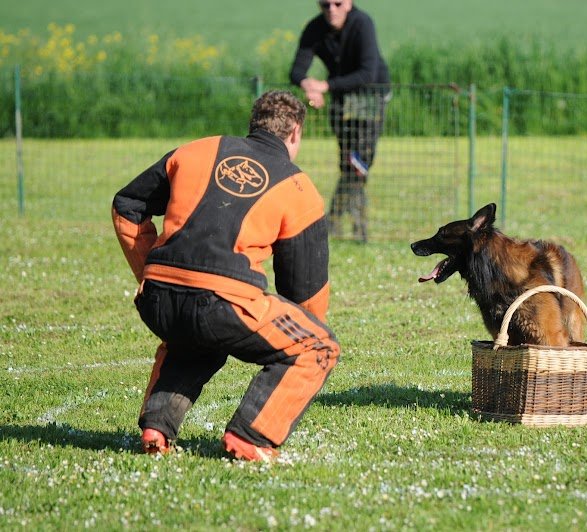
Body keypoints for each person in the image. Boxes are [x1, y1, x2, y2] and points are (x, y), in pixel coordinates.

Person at [112, 90, 340, 462]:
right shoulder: (299, 188)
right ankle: (252, 436)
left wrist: (148, 272)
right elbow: (306, 293)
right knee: (320, 345)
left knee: (197, 338)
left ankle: (157, 426)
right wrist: (304, 328)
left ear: (253, 124)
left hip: (157, 301)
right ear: (296, 132)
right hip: (224, 304)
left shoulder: (195, 151)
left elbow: (128, 205)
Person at [290, 0, 391, 243]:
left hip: (370, 95)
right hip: (340, 98)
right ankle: (350, 228)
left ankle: (340, 223)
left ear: (349, 3)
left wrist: (324, 86)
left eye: (337, 3)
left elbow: (367, 72)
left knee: (360, 162)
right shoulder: (315, 28)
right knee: (348, 163)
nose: (331, 9)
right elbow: (296, 71)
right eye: (325, 4)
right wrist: (309, 86)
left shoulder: (362, 24)